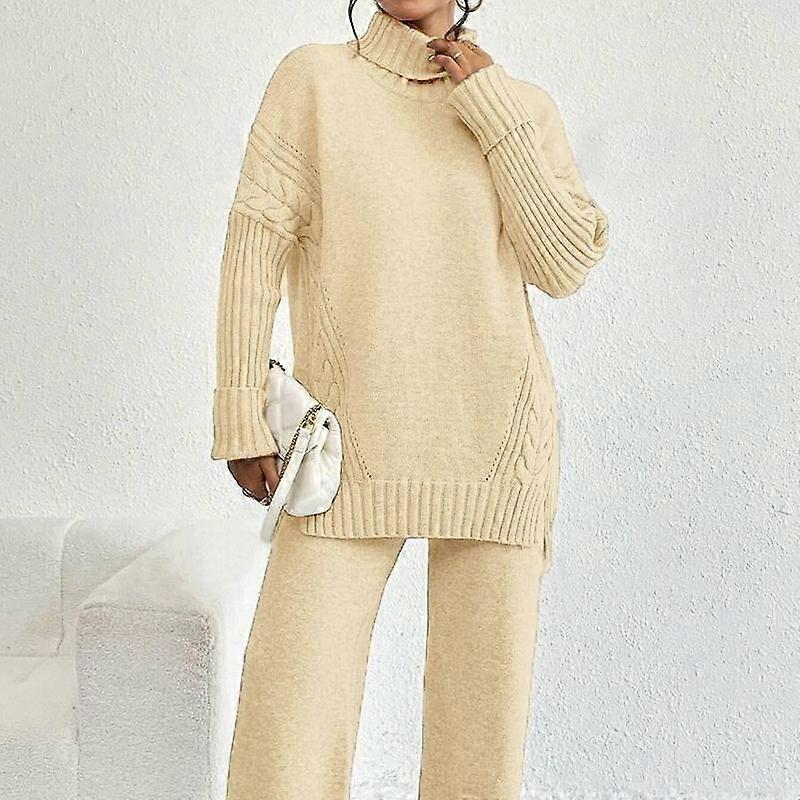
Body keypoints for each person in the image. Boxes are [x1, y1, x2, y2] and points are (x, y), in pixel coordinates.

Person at [210, 1, 609, 797]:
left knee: (477, 753)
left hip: (499, 450)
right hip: (346, 454)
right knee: (288, 727)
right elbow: (253, 248)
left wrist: (492, 110)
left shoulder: (520, 107)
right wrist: (239, 413)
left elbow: (563, 265)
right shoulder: (314, 83)